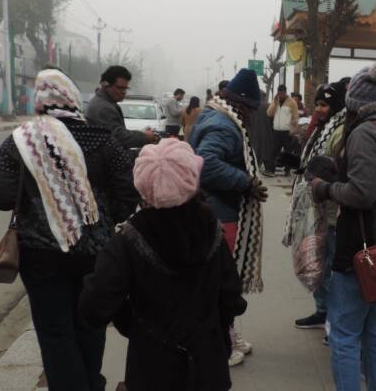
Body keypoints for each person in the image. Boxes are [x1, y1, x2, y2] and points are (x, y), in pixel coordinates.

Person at [0, 68, 139, 391]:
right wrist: (105, 221)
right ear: (72, 98)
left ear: (40, 101)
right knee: (90, 323)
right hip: (95, 253)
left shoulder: (21, 141)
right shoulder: (102, 140)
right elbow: (128, 189)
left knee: (54, 331)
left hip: (40, 255)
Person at [78, 138, 247, 391]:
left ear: (142, 187)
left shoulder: (128, 239)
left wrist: (131, 322)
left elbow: (93, 307)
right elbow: (232, 298)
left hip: (152, 368)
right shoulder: (212, 229)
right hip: (207, 367)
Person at [311, 63, 376, 391]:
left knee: (343, 333)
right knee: (372, 328)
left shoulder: (366, 133)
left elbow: (362, 192)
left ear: (356, 102)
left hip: (361, 246)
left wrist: (325, 188)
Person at [188, 68, 268, 367]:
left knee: (220, 280)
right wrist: (245, 182)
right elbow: (206, 164)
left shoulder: (216, 116)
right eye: (252, 109)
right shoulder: (223, 126)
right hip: (221, 213)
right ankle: (220, 343)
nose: (253, 116)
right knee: (220, 283)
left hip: (217, 209)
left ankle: (227, 333)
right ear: (242, 105)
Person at [283, 80, 348, 330]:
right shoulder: (322, 128)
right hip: (315, 206)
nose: (319, 109)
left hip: (330, 210)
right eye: (317, 104)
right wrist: (299, 165)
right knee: (317, 262)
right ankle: (323, 311)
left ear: (336, 105)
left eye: (324, 104)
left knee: (328, 265)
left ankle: (334, 319)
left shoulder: (340, 130)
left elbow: (335, 168)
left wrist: (313, 173)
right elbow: (314, 162)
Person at [85, 65, 158, 149]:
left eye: (125, 88)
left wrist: (142, 134)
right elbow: (118, 137)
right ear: (105, 85)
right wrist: (145, 137)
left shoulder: (104, 102)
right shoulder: (103, 107)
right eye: (120, 88)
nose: (124, 92)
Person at [264, 84, 299, 176]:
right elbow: (269, 113)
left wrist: (293, 130)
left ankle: (287, 170)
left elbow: (295, 117)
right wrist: (275, 102)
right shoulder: (275, 101)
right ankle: (270, 170)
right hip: (276, 130)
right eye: (279, 93)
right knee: (274, 151)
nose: (281, 95)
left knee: (288, 151)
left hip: (287, 131)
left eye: (282, 93)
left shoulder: (292, 102)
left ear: (285, 92)